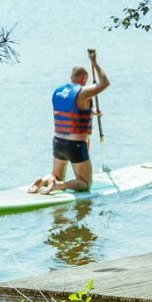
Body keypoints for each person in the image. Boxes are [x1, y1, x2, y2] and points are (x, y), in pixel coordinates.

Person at [32, 50, 108, 194]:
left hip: (58, 142)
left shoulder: (57, 91)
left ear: (71, 77)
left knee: (57, 176)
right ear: (84, 80)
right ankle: (58, 186)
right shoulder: (82, 92)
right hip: (75, 146)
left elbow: (71, 112)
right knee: (85, 184)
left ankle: (42, 181)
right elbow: (104, 83)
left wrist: (90, 114)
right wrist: (94, 62)